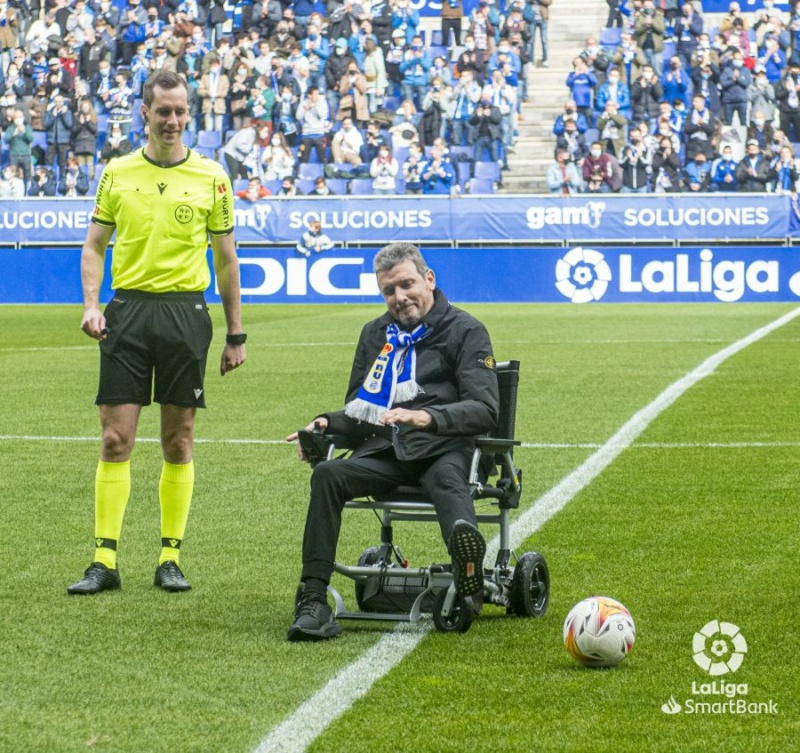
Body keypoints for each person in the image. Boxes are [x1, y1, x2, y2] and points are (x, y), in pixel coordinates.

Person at [67, 71, 246, 596]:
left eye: (180, 111)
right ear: (144, 112)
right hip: (126, 314)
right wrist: (92, 305)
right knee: (115, 437)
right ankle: (104, 560)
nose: (172, 120)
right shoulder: (117, 172)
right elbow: (94, 245)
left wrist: (236, 335)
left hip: (185, 314)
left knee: (178, 439)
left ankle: (169, 557)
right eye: (162, 111)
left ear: (189, 113)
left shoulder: (212, 175)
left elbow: (227, 259)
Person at [285, 242, 499, 641]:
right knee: (328, 474)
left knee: (448, 481)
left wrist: (427, 417)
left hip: (447, 450)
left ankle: (466, 571)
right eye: (388, 290)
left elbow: (486, 409)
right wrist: (323, 424)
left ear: (428, 279)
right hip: (388, 453)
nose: (399, 298)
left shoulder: (467, 330)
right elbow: (359, 412)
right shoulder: (374, 335)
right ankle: (313, 599)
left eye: (407, 284)